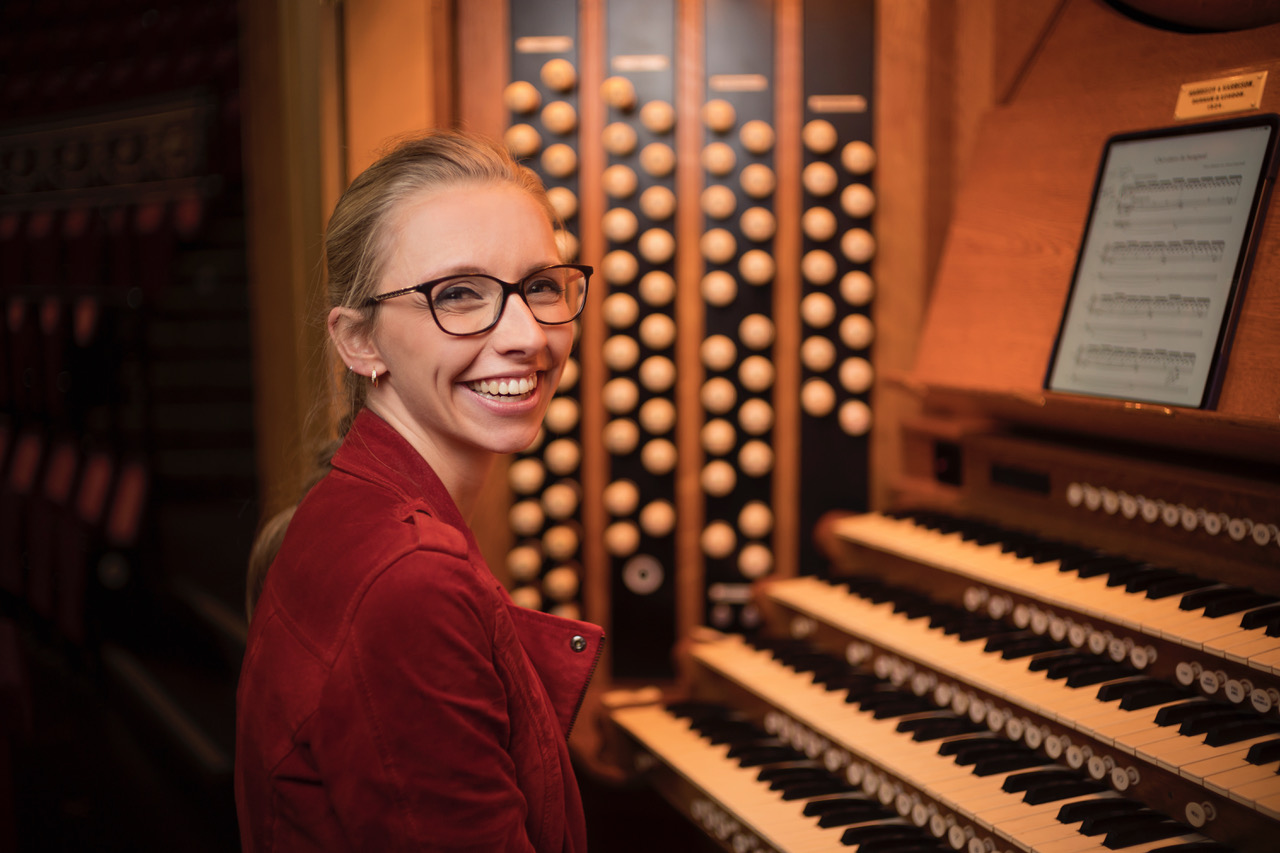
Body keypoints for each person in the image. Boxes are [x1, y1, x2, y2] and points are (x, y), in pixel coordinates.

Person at [235, 130, 603, 852]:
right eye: (458, 295)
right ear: (359, 341)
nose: (527, 334)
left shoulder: (350, 508)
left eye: (540, 286)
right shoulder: (409, 585)